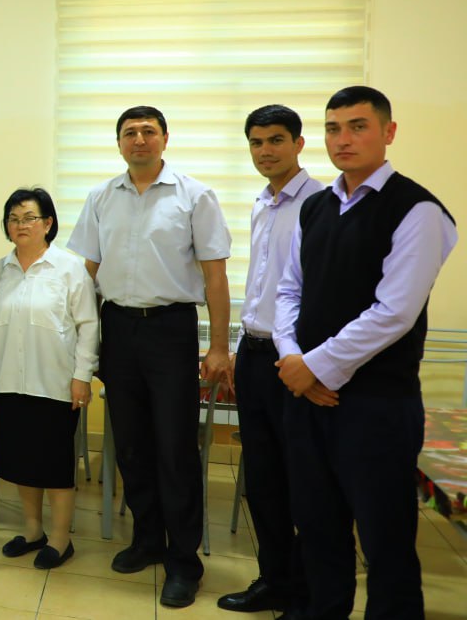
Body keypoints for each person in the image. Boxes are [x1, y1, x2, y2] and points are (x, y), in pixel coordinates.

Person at [273, 86, 456, 620]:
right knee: (318, 528)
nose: (343, 139)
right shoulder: (316, 207)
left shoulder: (418, 210)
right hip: (308, 399)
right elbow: (288, 291)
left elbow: (394, 312)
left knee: (385, 540)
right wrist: (293, 360)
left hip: (377, 405)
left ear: (388, 132)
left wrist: (315, 367)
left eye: (358, 126)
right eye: (333, 129)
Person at [67, 105, 232, 609]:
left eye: (148, 131)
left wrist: (219, 346)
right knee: (132, 444)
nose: (139, 139)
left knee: (175, 447)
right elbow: (86, 271)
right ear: (119, 143)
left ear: (165, 138)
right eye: (129, 133)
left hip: (170, 329)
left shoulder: (194, 195)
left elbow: (215, 276)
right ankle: (147, 540)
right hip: (117, 328)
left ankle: (184, 561)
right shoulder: (102, 197)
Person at [216, 106, 321, 614]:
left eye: (276, 140)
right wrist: (239, 348)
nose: (265, 151)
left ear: (299, 143)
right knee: (261, 480)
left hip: (294, 361)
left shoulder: (321, 203)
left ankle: (306, 591)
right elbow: (262, 287)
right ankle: (273, 580)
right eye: (256, 142)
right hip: (254, 354)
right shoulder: (262, 202)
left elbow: (319, 291)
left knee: (303, 481)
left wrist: (309, 362)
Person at [0, 187, 98, 569]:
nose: (21, 225)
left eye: (29, 217)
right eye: (13, 219)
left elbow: (88, 325)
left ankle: (60, 539)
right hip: (9, 382)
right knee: (20, 461)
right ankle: (33, 531)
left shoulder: (69, 269)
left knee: (54, 464)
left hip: (56, 384)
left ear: (47, 223)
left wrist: (82, 376)